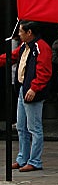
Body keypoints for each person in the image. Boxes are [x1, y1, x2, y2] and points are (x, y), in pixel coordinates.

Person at [0, 20, 52, 172]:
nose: (19, 34)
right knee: (21, 127)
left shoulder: (41, 47)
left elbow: (44, 72)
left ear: (29, 33)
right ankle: (22, 158)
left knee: (34, 128)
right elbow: (11, 57)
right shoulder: (25, 46)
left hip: (32, 91)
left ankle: (35, 160)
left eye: (21, 31)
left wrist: (34, 88)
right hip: (23, 88)